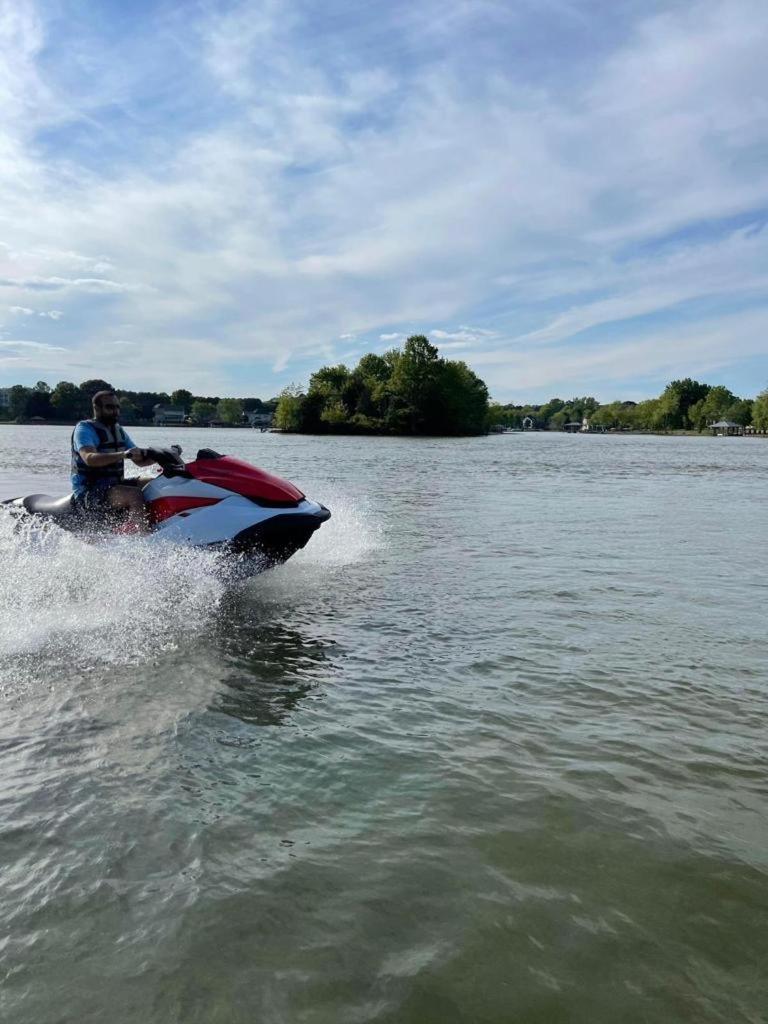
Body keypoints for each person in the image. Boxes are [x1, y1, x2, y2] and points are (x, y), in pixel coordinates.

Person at [71, 390, 158, 530]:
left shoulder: (118, 430)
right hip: (89, 491)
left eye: (117, 407)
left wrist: (161, 456)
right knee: (133, 494)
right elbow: (89, 458)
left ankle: (164, 525)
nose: (116, 411)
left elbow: (139, 460)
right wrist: (123, 454)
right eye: (110, 407)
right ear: (97, 408)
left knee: (155, 482)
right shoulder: (84, 429)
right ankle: (142, 540)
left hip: (114, 485)